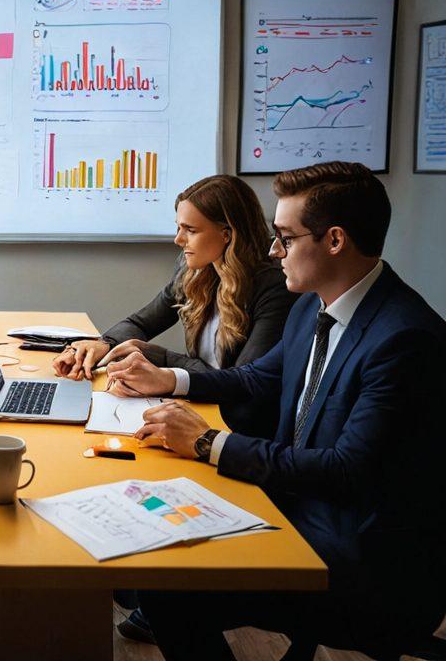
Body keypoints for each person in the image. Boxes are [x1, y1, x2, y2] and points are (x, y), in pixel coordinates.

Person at [108, 162, 446, 661]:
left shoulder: (404, 339)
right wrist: (172, 380)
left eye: (285, 238)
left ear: (334, 240)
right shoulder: (315, 304)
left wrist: (208, 442)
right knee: (151, 536)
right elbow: (256, 378)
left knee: (169, 587)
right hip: (302, 509)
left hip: (366, 562)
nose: (271, 251)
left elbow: (345, 470)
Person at [54, 174, 296, 438]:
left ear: (227, 234)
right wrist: (103, 344)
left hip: (234, 428)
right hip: (198, 405)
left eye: (190, 230)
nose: (178, 240)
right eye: (179, 228)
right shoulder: (194, 270)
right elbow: (141, 323)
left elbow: (240, 383)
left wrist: (163, 359)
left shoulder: (273, 287)